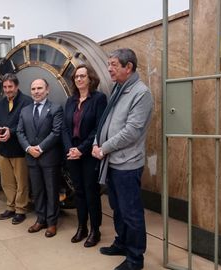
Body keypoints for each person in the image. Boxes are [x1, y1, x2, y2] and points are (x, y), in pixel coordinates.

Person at [92, 48, 153, 270]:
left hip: (127, 164)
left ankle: (135, 259)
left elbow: (132, 132)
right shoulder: (119, 88)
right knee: (117, 208)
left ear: (129, 67)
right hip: (111, 161)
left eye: (114, 64)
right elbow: (106, 121)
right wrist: (96, 143)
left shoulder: (141, 93)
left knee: (131, 212)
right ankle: (122, 243)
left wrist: (104, 148)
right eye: (109, 64)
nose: (109, 69)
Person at [62, 64, 107, 246]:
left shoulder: (98, 99)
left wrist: (81, 149)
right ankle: (82, 227)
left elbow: (99, 128)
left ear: (90, 78)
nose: (79, 79)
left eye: (82, 76)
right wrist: (70, 149)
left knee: (91, 192)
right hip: (72, 153)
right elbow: (65, 128)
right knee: (78, 192)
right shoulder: (70, 101)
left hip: (88, 154)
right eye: (76, 77)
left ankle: (95, 230)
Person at [17, 78, 63, 237]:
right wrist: (29, 148)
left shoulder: (56, 109)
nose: (36, 91)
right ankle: (40, 219)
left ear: (47, 90)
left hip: (49, 158)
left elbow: (56, 132)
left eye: (40, 88)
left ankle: (52, 223)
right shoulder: (25, 110)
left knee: (51, 191)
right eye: (33, 89)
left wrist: (41, 148)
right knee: (37, 191)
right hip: (31, 158)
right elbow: (19, 132)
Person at [0, 73, 32, 225]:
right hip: (3, 150)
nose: (7, 90)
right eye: (5, 87)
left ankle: (21, 210)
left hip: (19, 150)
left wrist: (11, 131)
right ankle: (11, 206)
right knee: (7, 181)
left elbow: (27, 124)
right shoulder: (1, 102)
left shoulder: (27, 102)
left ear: (17, 86)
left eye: (10, 87)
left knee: (22, 182)